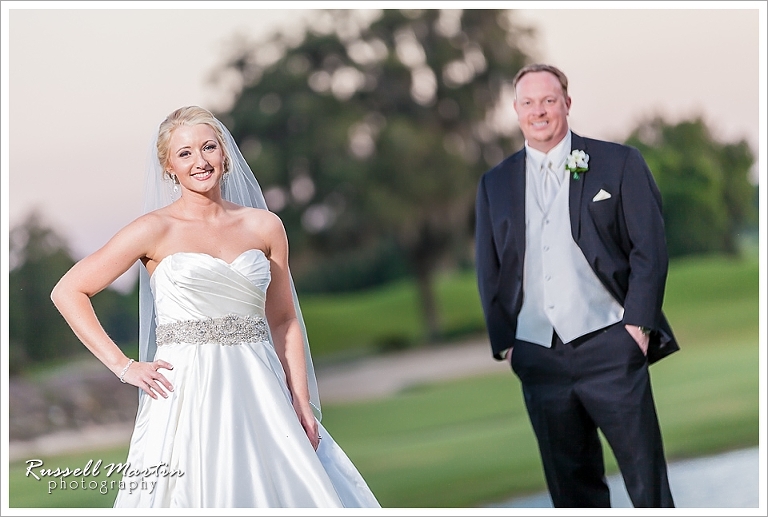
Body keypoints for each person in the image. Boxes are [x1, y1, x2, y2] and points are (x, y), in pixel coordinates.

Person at [51, 106, 380, 508]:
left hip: (262, 388)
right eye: (185, 153)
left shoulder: (265, 226)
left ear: (224, 155)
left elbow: (284, 319)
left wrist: (300, 398)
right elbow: (68, 291)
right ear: (169, 166)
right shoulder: (152, 230)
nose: (200, 161)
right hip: (186, 392)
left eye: (208, 147)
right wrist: (125, 366)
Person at [474, 64, 679, 508]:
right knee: (572, 495)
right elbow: (489, 268)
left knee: (647, 486)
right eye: (528, 103)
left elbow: (650, 248)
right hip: (539, 358)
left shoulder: (619, 163)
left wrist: (638, 326)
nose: (539, 111)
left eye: (548, 100)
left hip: (612, 346)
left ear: (567, 103)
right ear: (515, 111)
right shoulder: (495, 184)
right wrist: (507, 343)